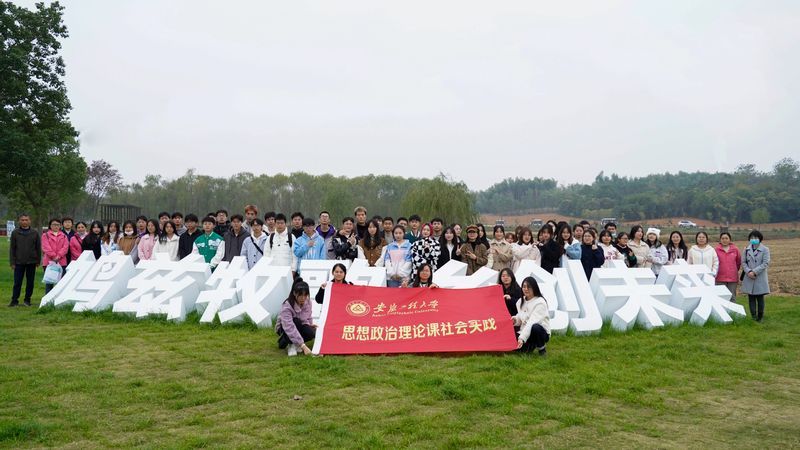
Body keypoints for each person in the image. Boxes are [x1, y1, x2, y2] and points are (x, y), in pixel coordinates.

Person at [276, 279, 316, 356]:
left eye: (305, 295)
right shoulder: (287, 305)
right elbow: (289, 326)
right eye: (300, 295)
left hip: (300, 324)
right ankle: (291, 344)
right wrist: (303, 346)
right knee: (296, 321)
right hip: (285, 327)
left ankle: (296, 343)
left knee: (310, 332)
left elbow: (308, 316)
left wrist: (310, 325)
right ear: (294, 293)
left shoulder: (308, 301)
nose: (303, 298)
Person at [9, 214, 41, 307]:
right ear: (19, 221)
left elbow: (38, 248)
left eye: (26, 220)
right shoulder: (15, 233)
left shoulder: (35, 233)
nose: (24, 221)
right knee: (17, 282)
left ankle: (27, 300)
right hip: (18, 262)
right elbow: (12, 248)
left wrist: (38, 261)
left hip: (31, 261)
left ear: (30, 221)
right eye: (22, 220)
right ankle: (14, 301)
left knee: (30, 282)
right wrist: (12, 262)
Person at [513, 277, 550, 355]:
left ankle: (542, 348)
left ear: (534, 288)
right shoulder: (520, 301)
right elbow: (521, 317)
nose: (526, 289)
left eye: (529, 287)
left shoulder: (540, 302)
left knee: (535, 327)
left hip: (539, 331)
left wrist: (521, 338)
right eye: (524, 287)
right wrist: (515, 320)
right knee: (515, 347)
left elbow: (531, 322)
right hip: (524, 331)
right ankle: (529, 346)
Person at [741, 230, 769, 321]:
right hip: (749, 276)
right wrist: (749, 272)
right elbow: (743, 262)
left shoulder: (765, 249)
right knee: (751, 297)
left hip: (759, 277)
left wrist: (754, 272)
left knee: (760, 298)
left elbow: (765, 263)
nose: (754, 239)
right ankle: (753, 317)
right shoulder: (746, 249)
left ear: (760, 238)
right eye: (752, 238)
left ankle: (760, 317)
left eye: (756, 238)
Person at [41, 218, 69, 294]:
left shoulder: (64, 236)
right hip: (49, 262)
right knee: (49, 282)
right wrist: (53, 256)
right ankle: (48, 299)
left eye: (57, 225)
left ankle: (58, 298)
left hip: (62, 262)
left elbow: (65, 247)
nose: (56, 226)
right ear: (50, 225)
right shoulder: (45, 235)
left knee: (61, 282)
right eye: (54, 224)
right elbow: (45, 247)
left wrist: (59, 256)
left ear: (60, 226)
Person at [715, 232, 741, 302]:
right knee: (721, 297)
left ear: (730, 239)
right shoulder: (716, 250)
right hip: (720, 278)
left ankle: (732, 309)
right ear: (720, 240)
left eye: (726, 238)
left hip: (732, 278)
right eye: (722, 238)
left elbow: (738, 262)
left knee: (732, 297)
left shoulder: (735, 249)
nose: (724, 240)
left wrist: (733, 270)